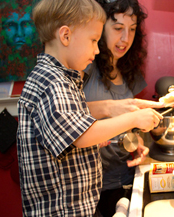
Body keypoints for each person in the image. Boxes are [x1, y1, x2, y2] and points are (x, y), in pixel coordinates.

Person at [16, 0, 162, 216]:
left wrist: (122, 107)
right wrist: (134, 119)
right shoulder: (52, 82)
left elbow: (72, 117)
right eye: (93, 40)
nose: (96, 48)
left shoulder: (61, 78)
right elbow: (81, 135)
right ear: (65, 36)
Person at [82, 0, 153, 216]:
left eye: (132, 30)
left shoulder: (129, 72)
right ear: (100, 28)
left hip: (126, 178)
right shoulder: (84, 65)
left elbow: (128, 126)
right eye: (118, 28)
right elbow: (66, 113)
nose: (125, 39)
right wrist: (109, 108)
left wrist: (137, 142)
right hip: (92, 187)